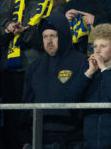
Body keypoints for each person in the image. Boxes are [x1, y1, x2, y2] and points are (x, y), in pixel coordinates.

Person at [22, 13, 88, 149]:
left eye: (53, 35)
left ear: (63, 35)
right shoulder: (35, 66)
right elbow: (26, 104)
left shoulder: (81, 61)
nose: (49, 41)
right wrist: (25, 139)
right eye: (45, 36)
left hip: (73, 139)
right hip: (40, 138)